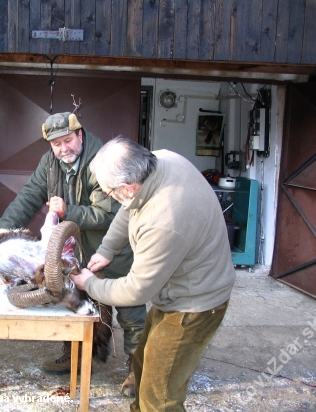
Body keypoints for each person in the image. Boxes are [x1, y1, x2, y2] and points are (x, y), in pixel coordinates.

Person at [71, 137, 236, 411]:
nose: (109, 197)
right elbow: (128, 208)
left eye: (109, 192)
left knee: (159, 395)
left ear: (128, 187)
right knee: (143, 363)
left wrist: (89, 284)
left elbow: (136, 290)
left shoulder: (164, 220)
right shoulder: (159, 160)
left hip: (194, 305)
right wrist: (108, 249)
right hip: (178, 288)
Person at [0, 112, 147, 396]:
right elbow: (28, 196)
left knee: (129, 307)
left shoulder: (103, 162)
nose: (63, 148)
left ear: (80, 135)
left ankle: (138, 367)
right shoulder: (50, 163)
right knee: (73, 300)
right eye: (56, 144)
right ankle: (76, 354)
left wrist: (68, 211)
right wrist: (2, 234)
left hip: (112, 248)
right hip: (74, 249)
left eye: (68, 141)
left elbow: (108, 214)